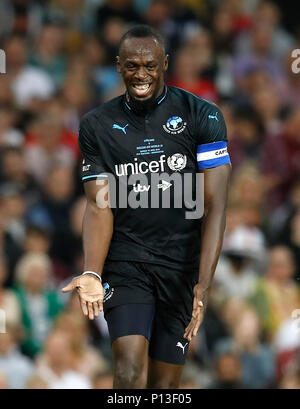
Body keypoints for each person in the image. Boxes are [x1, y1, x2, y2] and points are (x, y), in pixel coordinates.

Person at [62, 25, 231, 389]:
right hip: (127, 263)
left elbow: (216, 207)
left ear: (165, 64)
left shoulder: (203, 115)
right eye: (132, 65)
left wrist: (203, 284)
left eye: (150, 65)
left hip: (181, 268)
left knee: (164, 387)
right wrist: (92, 271)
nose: (142, 74)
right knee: (127, 372)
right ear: (119, 65)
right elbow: (98, 205)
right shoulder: (97, 125)